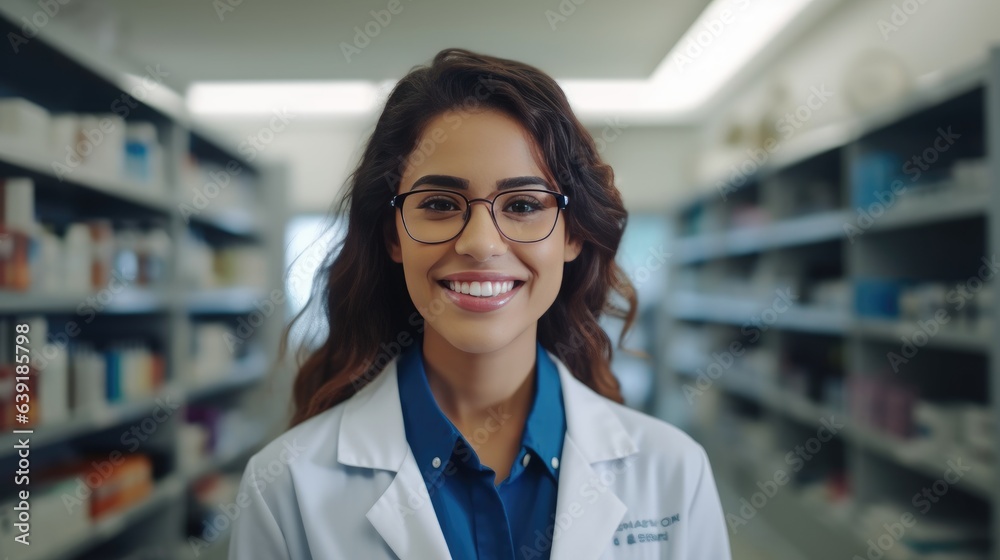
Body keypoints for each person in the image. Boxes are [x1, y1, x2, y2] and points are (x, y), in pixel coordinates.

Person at [228, 48, 731, 560]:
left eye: (523, 205)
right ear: (394, 237)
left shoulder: (673, 472)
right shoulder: (287, 486)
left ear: (573, 233)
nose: (481, 243)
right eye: (441, 205)